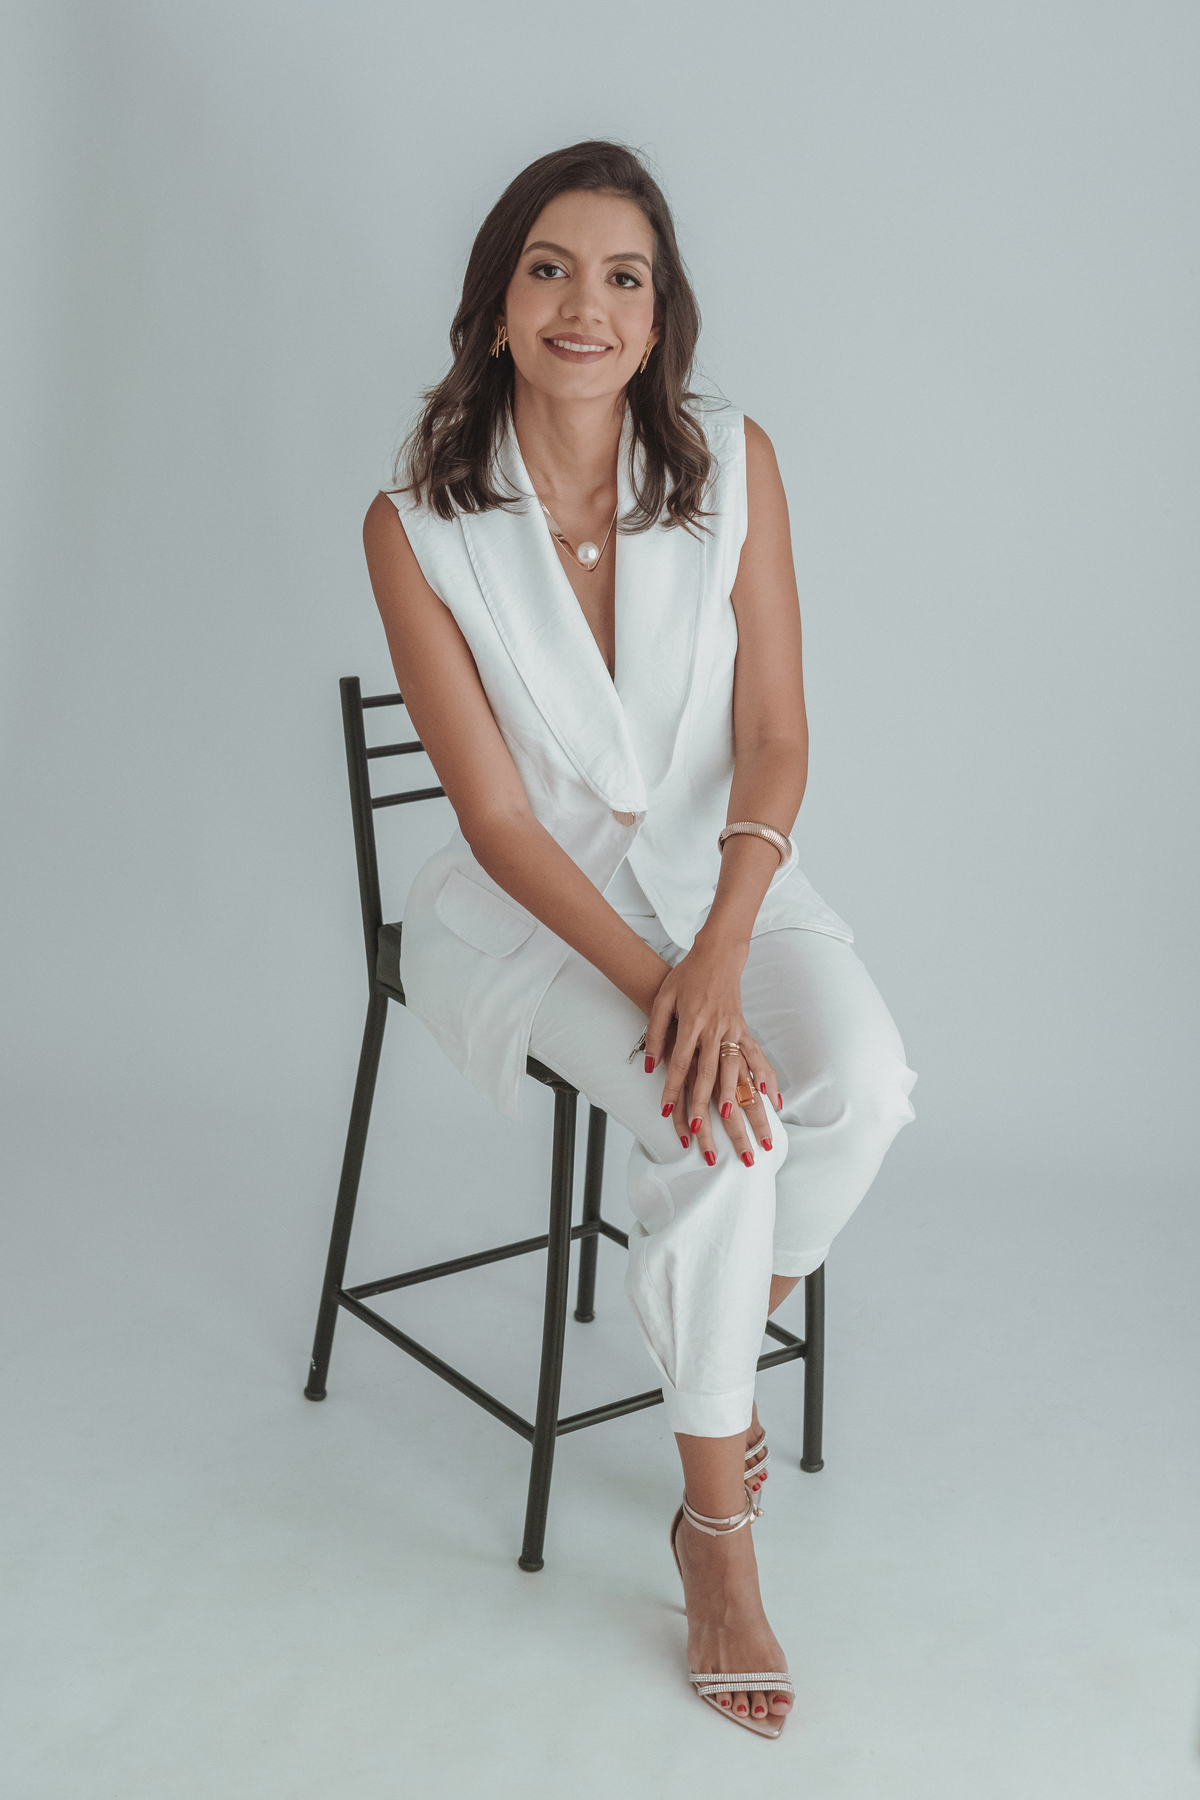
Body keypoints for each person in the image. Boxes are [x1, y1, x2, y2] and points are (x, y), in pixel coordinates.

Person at [362, 140, 916, 1738]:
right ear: (496, 304)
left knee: (863, 1087)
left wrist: (721, 954)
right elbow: (499, 821)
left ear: (661, 316)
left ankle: (734, 1320)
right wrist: (666, 992)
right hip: (533, 922)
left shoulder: (732, 463)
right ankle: (716, 1533)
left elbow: (777, 736)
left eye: (624, 277)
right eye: (549, 268)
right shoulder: (419, 524)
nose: (585, 306)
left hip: (722, 887)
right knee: (720, 1131)